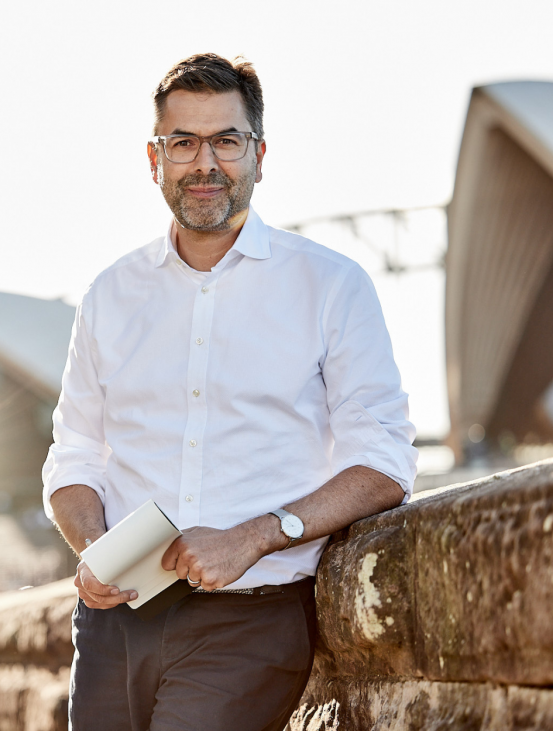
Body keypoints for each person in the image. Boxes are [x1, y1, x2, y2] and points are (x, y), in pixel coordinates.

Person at [42, 53, 417, 731]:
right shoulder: (109, 295)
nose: (204, 163)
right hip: (111, 629)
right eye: (183, 142)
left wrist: (255, 536)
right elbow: (75, 456)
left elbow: (384, 462)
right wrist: (93, 545)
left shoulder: (331, 285)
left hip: (251, 619)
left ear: (259, 154)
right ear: (154, 159)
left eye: (226, 140)